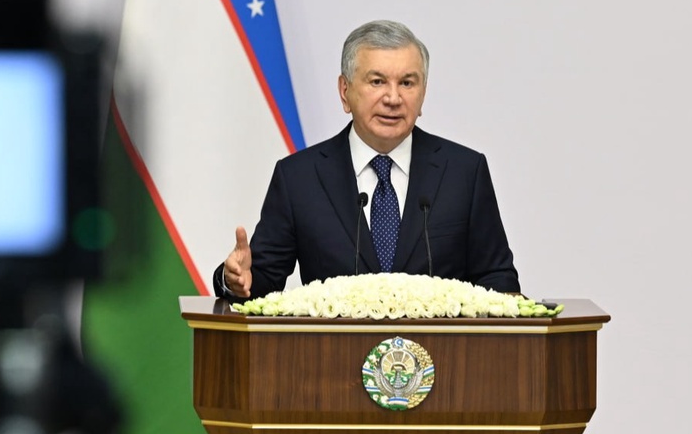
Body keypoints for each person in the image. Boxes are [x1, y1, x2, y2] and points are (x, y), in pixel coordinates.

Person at [214, 19, 520, 300]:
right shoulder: (299, 177)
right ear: (345, 91)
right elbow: (261, 280)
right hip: (331, 344)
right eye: (377, 82)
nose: (393, 98)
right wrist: (235, 279)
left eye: (407, 83)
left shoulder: (463, 172)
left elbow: (497, 278)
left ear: (423, 94)